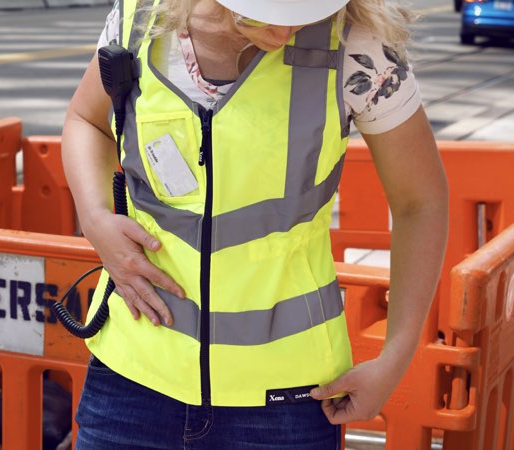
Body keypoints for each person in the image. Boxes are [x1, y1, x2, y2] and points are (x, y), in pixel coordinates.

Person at [61, 0, 448, 448]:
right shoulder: (138, 20)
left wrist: (396, 357)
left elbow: (421, 202)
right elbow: (86, 119)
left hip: (286, 404)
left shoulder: (357, 47)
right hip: (131, 380)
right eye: (263, 12)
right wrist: (94, 218)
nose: (284, 32)